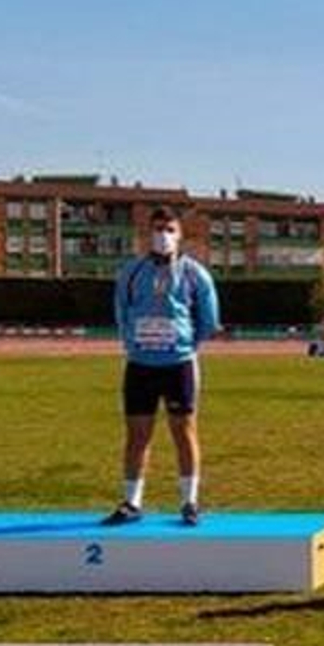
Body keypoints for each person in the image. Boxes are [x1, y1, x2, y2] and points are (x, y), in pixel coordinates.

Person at [102, 206, 221, 527]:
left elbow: (208, 320)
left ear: (180, 234)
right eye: (157, 229)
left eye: (169, 229)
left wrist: (186, 345)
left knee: (184, 431)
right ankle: (132, 502)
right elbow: (122, 313)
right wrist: (135, 344)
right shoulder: (131, 272)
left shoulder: (195, 274)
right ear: (147, 234)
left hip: (179, 365)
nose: (163, 235)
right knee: (137, 435)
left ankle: (189, 502)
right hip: (140, 365)